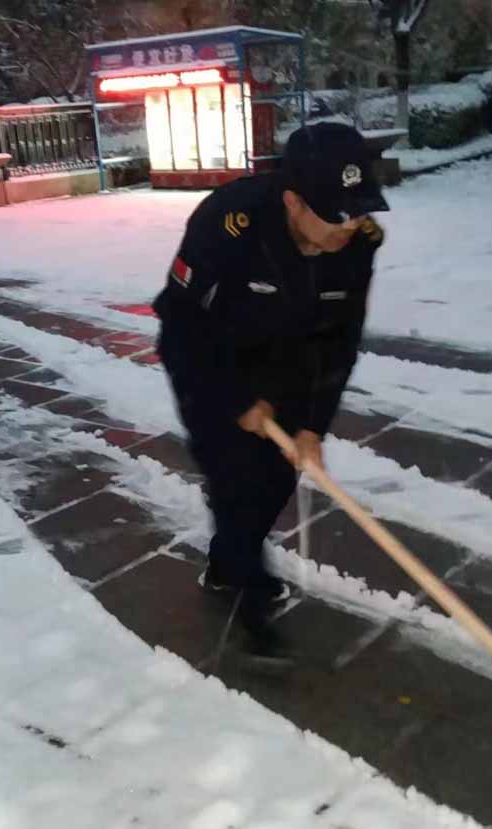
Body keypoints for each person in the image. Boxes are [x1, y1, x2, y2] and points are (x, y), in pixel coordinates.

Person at [153, 123, 389, 659]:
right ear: (292, 201)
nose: (349, 225)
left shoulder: (357, 245)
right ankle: (248, 596)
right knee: (235, 476)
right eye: (335, 213)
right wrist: (236, 401)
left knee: (279, 475)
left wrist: (311, 426)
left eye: (358, 210)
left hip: (288, 356)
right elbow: (185, 322)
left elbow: (339, 339)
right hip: (209, 355)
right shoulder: (229, 222)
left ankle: (226, 560)